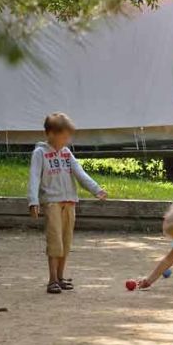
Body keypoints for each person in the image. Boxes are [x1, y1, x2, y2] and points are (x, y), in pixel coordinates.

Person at [28, 112, 107, 294]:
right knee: (55, 241)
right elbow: (33, 178)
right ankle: (52, 279)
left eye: (68, 137)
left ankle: (61, 277)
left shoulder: (66, 154)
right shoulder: (40, 153)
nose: (67, 140)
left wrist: (96, 189)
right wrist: (33, 201)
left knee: (66, 242)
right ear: (51, 134)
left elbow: (80, 174)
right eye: (64, 136)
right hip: (52, 203)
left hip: (69, 203)